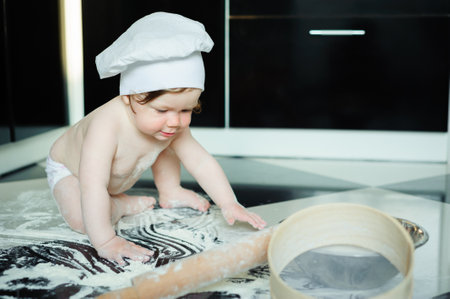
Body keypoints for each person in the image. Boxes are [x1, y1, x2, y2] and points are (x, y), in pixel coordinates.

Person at [45, 12, 266, 266]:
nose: (175, 120)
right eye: (163, 110)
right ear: (129, 97)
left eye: (186, 110)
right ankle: (120, 206)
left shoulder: (167, 124)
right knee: (82, 220)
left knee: (168, 138)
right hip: (72, 172)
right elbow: (92, 185)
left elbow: (201, 162)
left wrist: (229, 203)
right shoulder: (105, 126)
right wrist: (106, 240)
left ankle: (170, 191)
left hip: (116, 174)